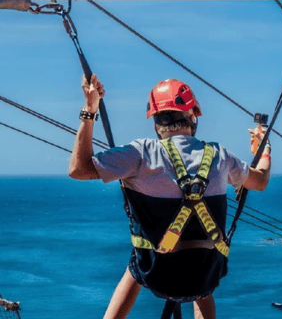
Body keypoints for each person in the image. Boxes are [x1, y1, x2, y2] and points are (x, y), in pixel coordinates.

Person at [69, 74, 271, 319]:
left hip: (157, 274)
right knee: (204, 261)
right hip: (204, 275)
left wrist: (90, 110)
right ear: (192, 117)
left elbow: (78, 169)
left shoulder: (141, 154)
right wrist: (265, 147)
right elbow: (260, 180)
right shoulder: (220, 156)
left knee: (136, 263)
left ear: (156, 122)